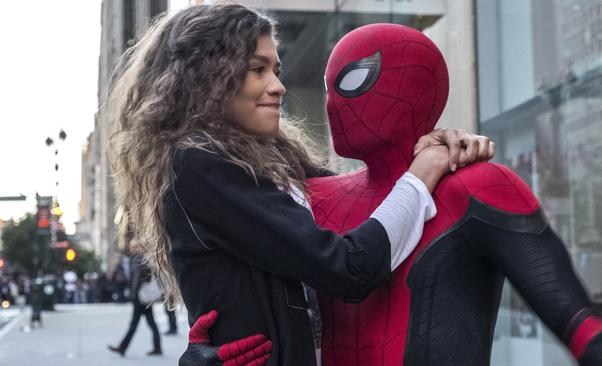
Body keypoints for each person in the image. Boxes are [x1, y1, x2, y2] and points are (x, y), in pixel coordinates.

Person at [184, 23, 602, 366]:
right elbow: (224, 288)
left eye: (354, 80)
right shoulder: (304, 195)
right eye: (327, 87)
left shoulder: (472, 187)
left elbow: (578, 322)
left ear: (418, 86)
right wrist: (205, 353)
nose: (333, 103)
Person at [107, 4, 490, 366]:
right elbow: (347, 267)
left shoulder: (272, 158)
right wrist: (422, 173)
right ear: (208, 77)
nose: (278, 86)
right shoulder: (199, 164)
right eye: (258, 69)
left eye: (276, 70)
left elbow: (363, 200)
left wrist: (432, 145)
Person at [108, 238, 162, 356]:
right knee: (150, 322)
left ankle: (122, 347)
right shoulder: (141, 259)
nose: (133, 249)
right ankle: (157, 347)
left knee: (135, 323)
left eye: (136, 247)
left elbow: (137, 280)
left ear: (141, 247)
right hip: (143, 296)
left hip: (140, 297)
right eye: (132, 247)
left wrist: (133, 295)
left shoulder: (140, 259)